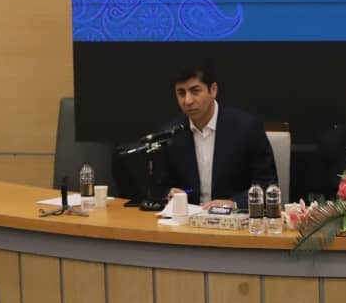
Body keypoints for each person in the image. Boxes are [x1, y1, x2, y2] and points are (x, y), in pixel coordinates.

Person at [119, 63, 277, 209]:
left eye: (195, 91)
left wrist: (233, 203)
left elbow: (267, 185)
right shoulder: (171, 133)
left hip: (233, 220)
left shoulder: (246, 128)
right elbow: (160, 187)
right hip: (187, 220)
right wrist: (169, 194)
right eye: (181, 93)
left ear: (213, 90)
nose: (187, 101)